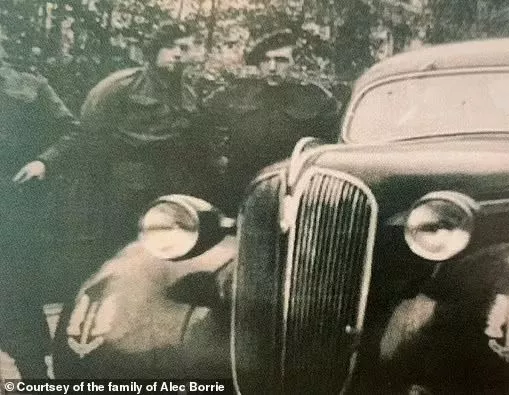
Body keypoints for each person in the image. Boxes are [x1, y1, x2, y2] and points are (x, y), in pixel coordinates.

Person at [18, 22, 211, 255]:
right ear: (154, 50)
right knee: (119, 259)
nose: (178, 53)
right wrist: (46, 162)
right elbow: (86, 135)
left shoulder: (189, 94)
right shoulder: (120, 85)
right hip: (123, 191)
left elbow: (197, 146)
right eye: (170, 47)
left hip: (171, 193)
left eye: (184, 48)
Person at [0, 38, 81, 379]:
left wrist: (42, 162)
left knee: (17, 292)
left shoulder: (32, 87)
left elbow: (73, 132)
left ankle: (34, 376)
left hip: (16, 206)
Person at [204, 28, 342, 215]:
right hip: (239, 192)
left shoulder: (316, 99)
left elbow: (331, 148)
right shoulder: (237, 93)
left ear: (295, 62)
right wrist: (218, 158)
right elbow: (203, 122)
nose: (271, 67)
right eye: (265, 60)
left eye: (280, 60)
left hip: (292, 194)